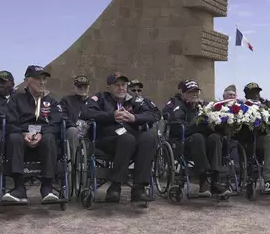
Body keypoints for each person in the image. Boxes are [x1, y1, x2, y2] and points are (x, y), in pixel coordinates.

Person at [81, 73, 159, 205]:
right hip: (107, 139)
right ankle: (115, 186)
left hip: (131, 138)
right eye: (116, 85)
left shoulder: (135, 101)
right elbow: (86, 113)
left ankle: (139, 189)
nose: (121, 88)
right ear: (109, 87)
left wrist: (135, 118)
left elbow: (155, 114)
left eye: (123, 85)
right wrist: (111, 116)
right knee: (127, 139)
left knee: (148, 138)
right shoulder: (100, 98)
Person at [3, 65, 63, 203]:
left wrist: (42, 133)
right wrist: (24, 133)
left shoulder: (51, 102)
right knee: (14, 137)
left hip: (43, 138)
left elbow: (56, 123)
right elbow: (10, 123)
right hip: (22, 139)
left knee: (50, 138)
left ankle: (47, 188)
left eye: (44, 79)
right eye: (38, 79)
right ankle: (19, 189)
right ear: (27, 80)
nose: (42, 82)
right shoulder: (15, 100)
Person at [163, 79, 232, 197]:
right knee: (198, 137)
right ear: (184, 94)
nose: (195, 94)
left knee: (215, 138)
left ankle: (215, 181)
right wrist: (197, 124)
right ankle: (203, 180)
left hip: (204, 143)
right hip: (185, 143)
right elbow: (178, 128)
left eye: (196, 91)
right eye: (191, 92)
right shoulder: (178, 106)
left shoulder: (204, 106)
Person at [241, 82, 270, 192]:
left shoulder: (268, 105)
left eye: (257, 92)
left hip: (266, 138)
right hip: (250, 140)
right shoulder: (241, 106)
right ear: (246, 95)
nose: (256, 95)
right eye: (252, 93)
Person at [59, 75, 90, 165]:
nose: (83, 89)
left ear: (89, 87)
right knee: (72, 131)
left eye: (85, 86)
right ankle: (74, 164)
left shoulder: (93, 101)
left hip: (89, 132)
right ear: (75, 87)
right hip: (72, 130)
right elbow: (61, 114)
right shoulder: (67, 100)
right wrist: (72, 125)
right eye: (79, 86)